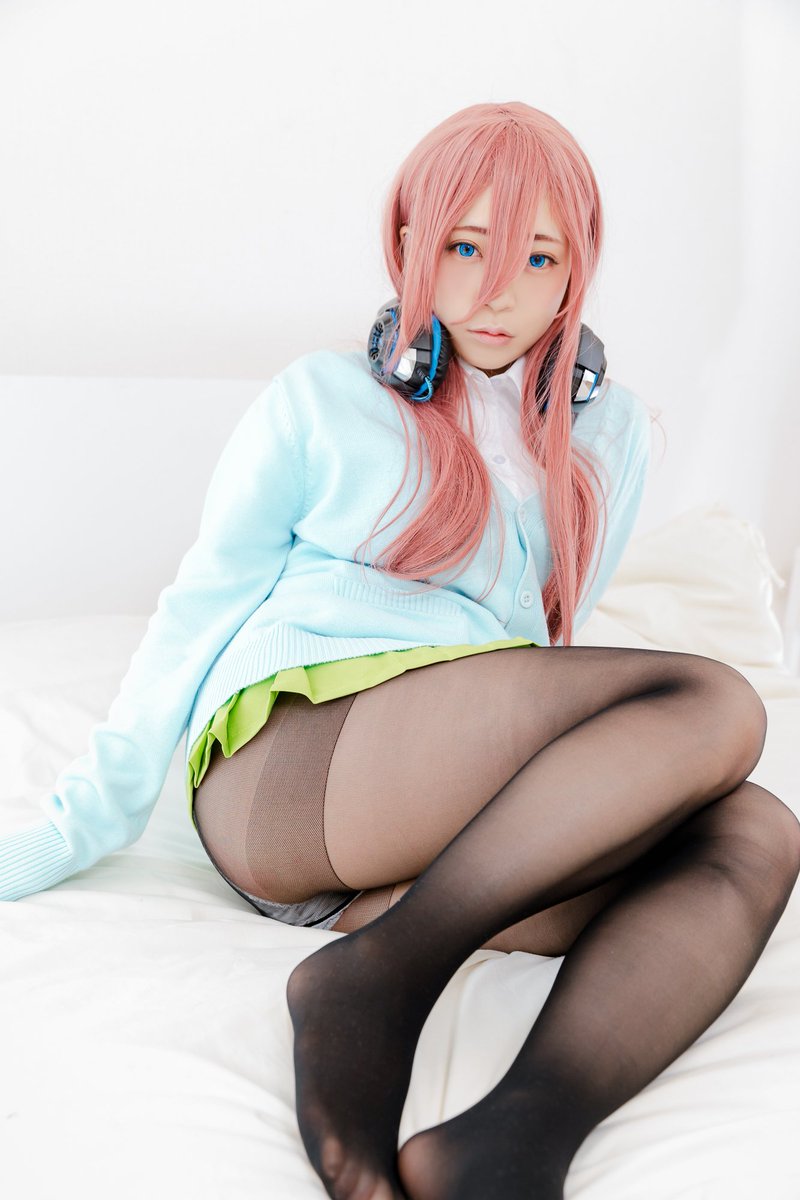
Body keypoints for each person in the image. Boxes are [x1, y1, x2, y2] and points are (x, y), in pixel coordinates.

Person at [1, 100, 798, 1200]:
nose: (494, 291)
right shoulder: (321, 401)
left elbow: (540, 643)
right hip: (290, 768)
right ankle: (376, 983)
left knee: (754, 828)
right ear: (412, 244)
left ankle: (510, 1144)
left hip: (419, 833)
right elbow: (198, 606)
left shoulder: (607, 435)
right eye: (465, 248)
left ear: (576, 272)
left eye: (536, 257)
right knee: (714, 704)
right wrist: (77, 824)